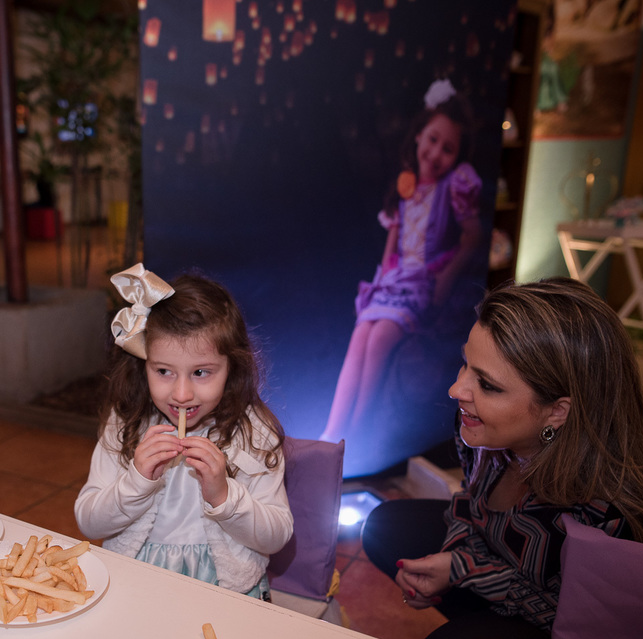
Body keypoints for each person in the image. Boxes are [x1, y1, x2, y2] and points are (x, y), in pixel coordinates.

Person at [361, 278, 643, 639]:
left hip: (597, 637)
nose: (457, 390)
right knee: (387, 527)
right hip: (524, 577)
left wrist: (463, 571)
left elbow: (588, 620)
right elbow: (471, 504)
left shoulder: (615, 507)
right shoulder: (483, 430)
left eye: (487, 385)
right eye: (465, 364)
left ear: (557, 412)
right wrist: (457, 557)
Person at [75, 264, 293, 599]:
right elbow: (89, 523)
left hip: (229, 591)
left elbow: (276, 536)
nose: (181, 394)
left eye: (201, 373)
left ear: (231, 367)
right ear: (143, 364)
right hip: (135, 583)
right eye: (163, 371)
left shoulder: (255, 432)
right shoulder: (127, 422)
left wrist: (224, 496)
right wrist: (136, 482)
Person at [322, 79, 482, 443]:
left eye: (448, 148)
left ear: (457, 157)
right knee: (361, 334)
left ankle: (353, 435)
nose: (436, 152)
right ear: (418, 136)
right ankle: (332, 430)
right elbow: (393, 243)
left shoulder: (454, 186)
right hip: (394, 283)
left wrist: (445, 279)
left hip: (422, 284)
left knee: (378, 339)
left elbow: (472, 236)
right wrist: (381, 283)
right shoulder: (407, 184)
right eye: (432, 140)